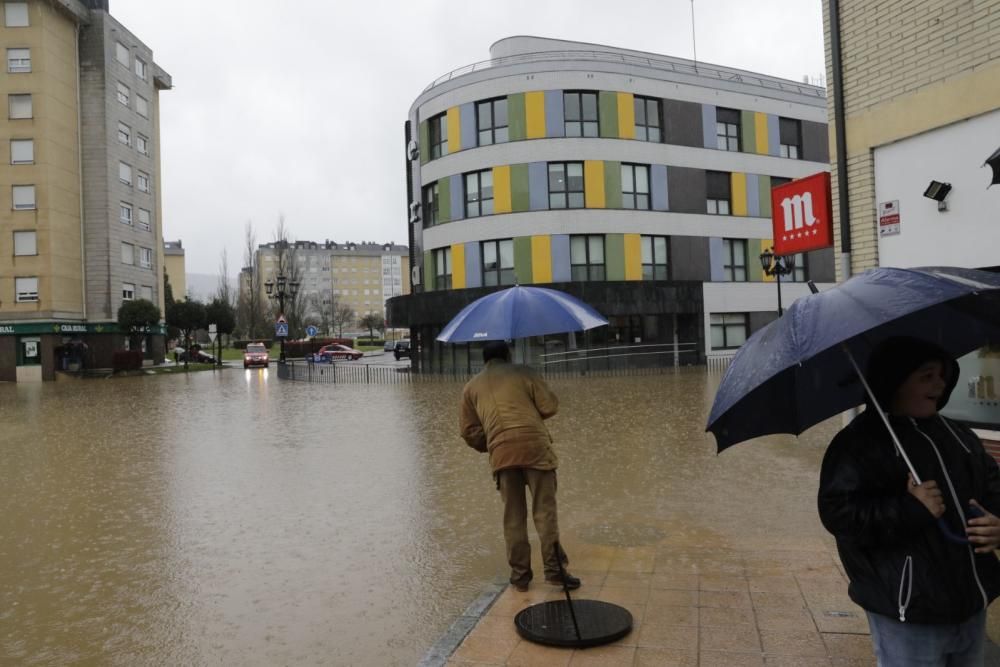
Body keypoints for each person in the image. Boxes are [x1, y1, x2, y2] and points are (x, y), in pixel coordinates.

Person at [818, 336, 1000, 666]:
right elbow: (839, 514)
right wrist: (910, 509)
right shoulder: (857, 445)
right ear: (895, 382)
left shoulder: (959, 436)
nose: (940, 384)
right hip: (908, 613)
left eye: (942, 375)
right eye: (926, 376)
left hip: (972, 604)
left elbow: (993, 489)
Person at [459, 340, 580, 593]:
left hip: (502, 454)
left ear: (484, 359)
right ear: (508, 354)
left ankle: (520, 576)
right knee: (544, 513)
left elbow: (469, 431)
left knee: (513, 518)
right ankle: (555, 571)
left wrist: (492, 441)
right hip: (536, 448)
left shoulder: (470, 388)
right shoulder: (525, 372)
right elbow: (550, 406)